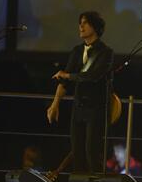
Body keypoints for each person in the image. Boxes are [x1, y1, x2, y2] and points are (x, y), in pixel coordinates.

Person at [47, 11, 114, 173]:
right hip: (78, 109)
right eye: (80, 23)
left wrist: (68, 75)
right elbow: (64, 80)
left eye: (85, 23)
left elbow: (93, 76)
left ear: (95, 27)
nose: (81, 26)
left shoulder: (106, 52)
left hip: (96, 109)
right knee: (77, 153)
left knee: (92, 153)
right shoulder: (77, 50)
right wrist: (54, 104)